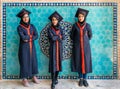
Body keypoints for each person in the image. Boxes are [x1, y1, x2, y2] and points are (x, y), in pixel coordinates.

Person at [17, 8, 39, 87]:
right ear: (22, 19)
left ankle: (33, 76)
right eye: (24, 17)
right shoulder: (20, 27)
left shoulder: (32, 26)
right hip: (24, 48)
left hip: (32, 47)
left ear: (29, 17)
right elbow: (23, 38)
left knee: (33, 61)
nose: (26, 18)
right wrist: (30, 37)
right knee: (24, 62)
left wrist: (28, 38)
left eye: (27, 17)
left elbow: (36, 35)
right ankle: (24, 79)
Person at [71, 8, 92, 87]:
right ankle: (80, 79)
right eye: (79, 16)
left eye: (82, 16)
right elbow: (72, 36)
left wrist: (84, 41)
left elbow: (90, 36)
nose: (80, 18)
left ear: (84, 17)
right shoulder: (75, 26)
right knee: (79, 62)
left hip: (86, 48)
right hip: (77, 48)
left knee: (86, 63)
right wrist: (78, 42)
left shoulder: (88, 25)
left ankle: (85, 79)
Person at [47, 11, 64, 89]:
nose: (54, 21)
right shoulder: (49, 29)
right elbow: (52, 38)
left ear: (58, 20)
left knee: (58, 65)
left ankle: (56, 78)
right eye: (53, 19)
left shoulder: (60, 28)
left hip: (59, 48)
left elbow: (63, 37)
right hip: (53, 49)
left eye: (55, 20)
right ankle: (53, 81)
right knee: (53, 64)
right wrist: (58, 36)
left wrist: (56, 36)